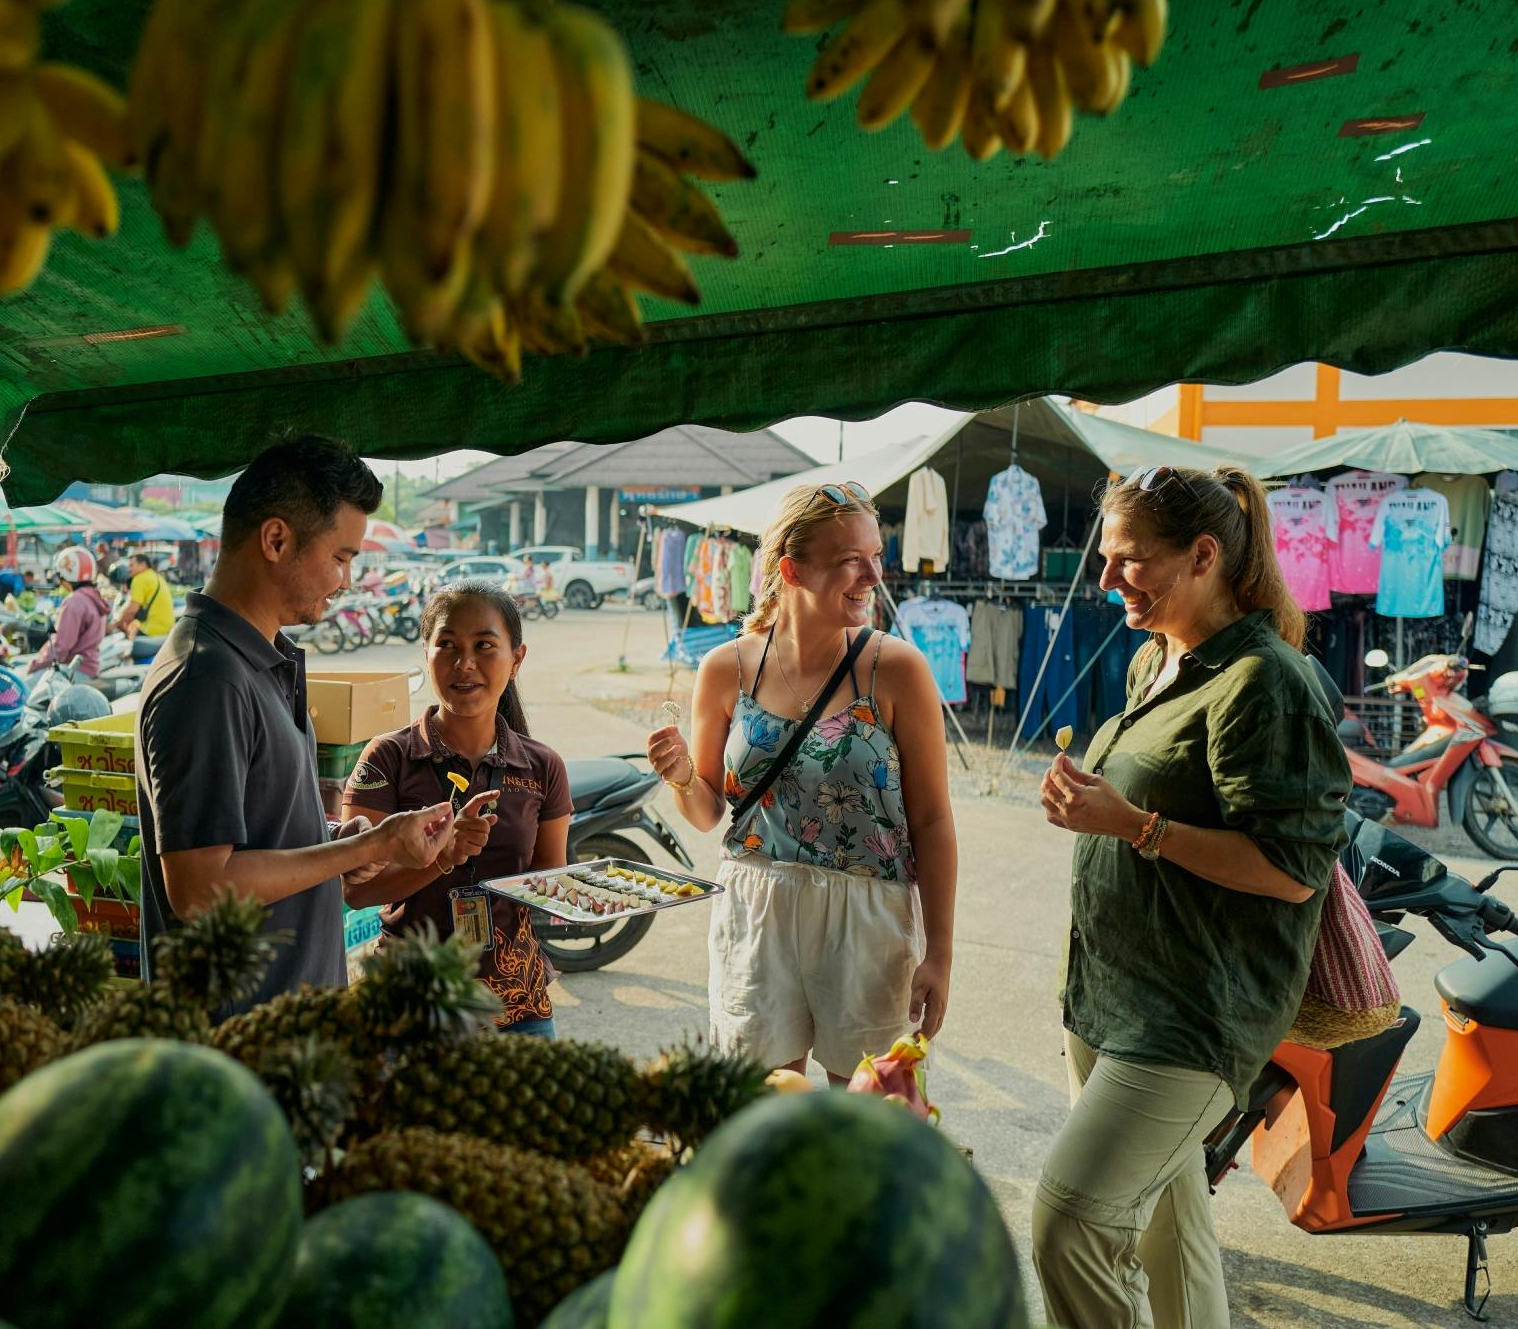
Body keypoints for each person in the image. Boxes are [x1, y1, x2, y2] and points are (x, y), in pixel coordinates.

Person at [1033, 465, 1349, 1329]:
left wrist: (1134, 823)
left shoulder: (1263, 681)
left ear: (1204, 554)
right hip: (1109, 996)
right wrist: (1102, 809)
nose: (1107, 579)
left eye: (1130, 559)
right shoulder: (1158, 660)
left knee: (1069, 1222)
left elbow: (1291, 868)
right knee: (1172, 1238)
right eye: (1107, 557)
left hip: (1189, 1017)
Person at [646, 480, 957, 1085]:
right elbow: (709, 812)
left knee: (868, 1110)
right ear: (790, 569)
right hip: (756, 905)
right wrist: (683, 776)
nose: (873, 576)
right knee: (762, 1108)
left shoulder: (895, 669)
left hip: (867, 912)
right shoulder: (725, 668)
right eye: (850, 561)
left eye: (876, 557)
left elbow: (932, 822)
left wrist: (939, 954)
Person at [136, 435, 456, 1012]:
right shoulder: (207, 679)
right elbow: (200, 890)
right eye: (341, 558)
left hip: (291, 1026)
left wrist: (340, 843)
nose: (347, 581)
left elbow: (260, 838)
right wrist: (368, 847)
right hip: (240, 1044)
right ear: (277, 539)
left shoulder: (261, 659)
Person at [342, 581, 571, 1035]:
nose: (464, 663)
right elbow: (358, 892)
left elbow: (550, 882)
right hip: (409, 1004)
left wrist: (597, 895)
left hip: (514, 1002)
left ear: (516, 659)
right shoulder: (387, 758)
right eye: (446, 645)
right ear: (425, 653)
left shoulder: (542, 766)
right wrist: (442, 858)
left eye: (484, 645)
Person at [29, 546, 111, 677]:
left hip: (74, 670)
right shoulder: (95, 596)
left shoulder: (74, 601)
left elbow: (61, 646)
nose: (60, 583)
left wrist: (35, 665)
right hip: (89, 667)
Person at [114, 551, 176, 660]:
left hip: (153, 630)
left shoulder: (140, 579)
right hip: (167, 628)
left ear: (142, 565)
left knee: (126, 652)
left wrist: (115, 624)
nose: (129, 569)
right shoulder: (155, 576)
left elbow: (132, 608)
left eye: (132, 565)